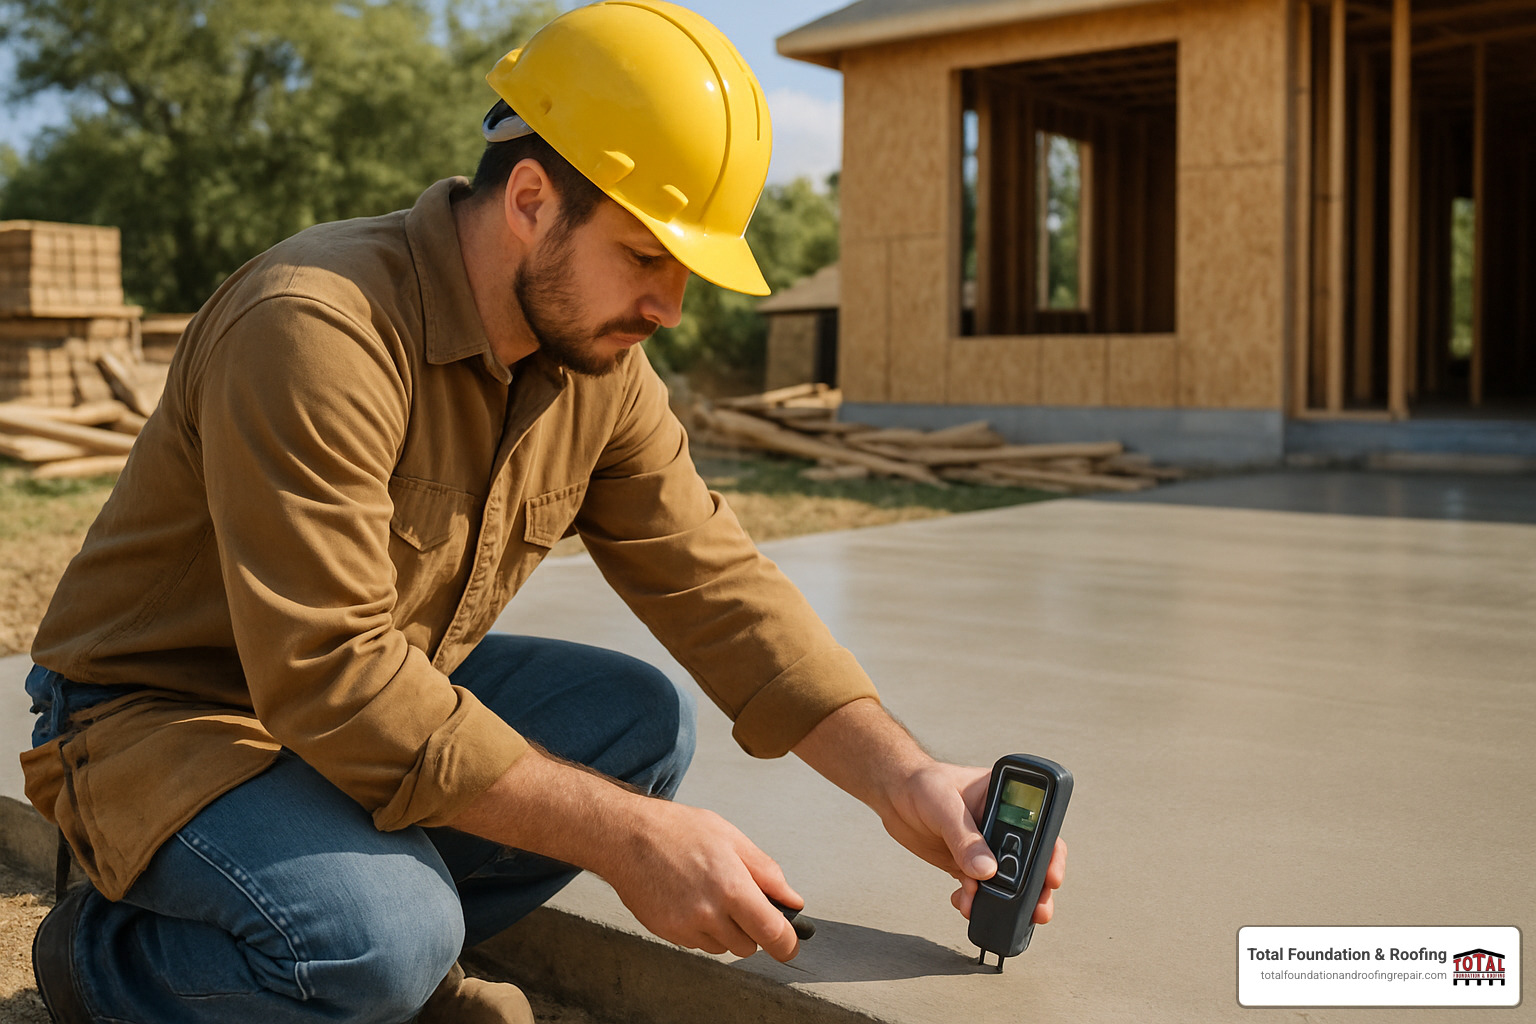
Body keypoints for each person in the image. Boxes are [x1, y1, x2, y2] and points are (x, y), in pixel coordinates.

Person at [21, 3, 1066, 1022]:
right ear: (531, 199)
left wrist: (908, 778)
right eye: (647, 255)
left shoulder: (596, 364)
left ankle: (361, 937)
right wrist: (626, 841)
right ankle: (107, 960)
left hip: (352, 708)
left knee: (637, 725)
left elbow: (714, 581)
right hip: (167, 716)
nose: (670, 306)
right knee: (381, 935)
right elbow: (331, 672)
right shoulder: (317, 325)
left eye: (686, 270)